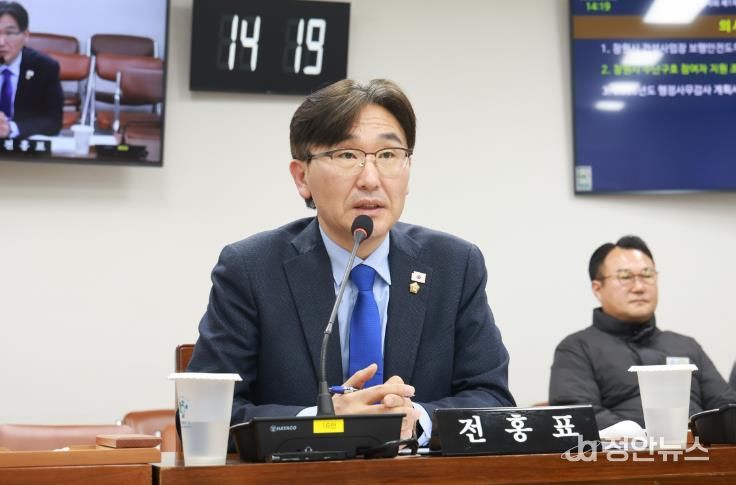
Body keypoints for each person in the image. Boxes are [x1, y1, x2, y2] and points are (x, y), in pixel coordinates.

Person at [187, 78, 515, 444]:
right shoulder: (251, 269)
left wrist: (416, 420)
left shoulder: (454, 265)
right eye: (346, 155)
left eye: (388, 155)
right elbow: (205, 415)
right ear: (302, 177)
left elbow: (494, 400)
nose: (370, 179)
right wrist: (323, 421)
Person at [549, 235, 736, 429]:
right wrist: (644, 439)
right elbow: (579, 416)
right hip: (623, 448)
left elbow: (727, 407)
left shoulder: (686, 346)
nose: (639, 287)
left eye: (647, 275)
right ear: (597, 289)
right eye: (625, 277)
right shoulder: (577, 349)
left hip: (699, 447)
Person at [0, 1, 62, 138]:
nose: (1, 42)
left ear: (26, 35)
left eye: (9, 33)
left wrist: (10, 128)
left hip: (22, 143)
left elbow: (53, 121)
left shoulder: (44, 67)